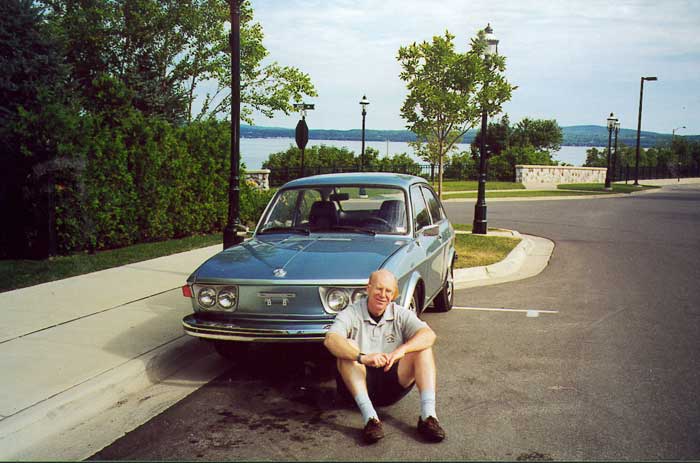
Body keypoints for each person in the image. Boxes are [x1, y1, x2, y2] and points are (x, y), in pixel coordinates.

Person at [323, 269, 446, 444]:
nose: (383, 295)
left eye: (388, 291)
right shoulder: (351, 312)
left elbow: (429, 335)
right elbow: (331, 340)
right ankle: (371, 419)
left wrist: (401, 350)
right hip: (358, 385)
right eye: (378, 289)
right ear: (368, 288)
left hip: (391, 385)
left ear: (393, 294)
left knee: (423, 349)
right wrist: (362, 357)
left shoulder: (399, 313)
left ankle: (428, 417)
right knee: (347, 348)